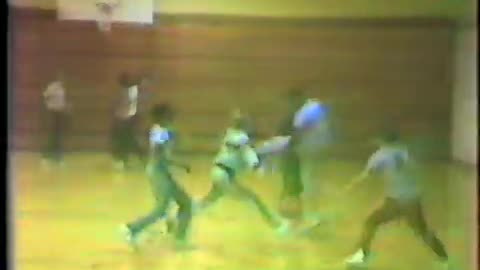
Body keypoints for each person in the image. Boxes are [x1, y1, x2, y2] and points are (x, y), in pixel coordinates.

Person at [343, 130, 450, 269]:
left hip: (396, 200)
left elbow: (367, 175)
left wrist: (351, 185)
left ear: (379, 140)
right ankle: (444, 258)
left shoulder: (380, 155)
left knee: (371, 222)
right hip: (412, 198)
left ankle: (362, 256)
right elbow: (416, 170)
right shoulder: (405, 151)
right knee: (422, 231)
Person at [197, 111, 290, 234]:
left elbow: (244, 151)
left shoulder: (229, 135)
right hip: (225, 176)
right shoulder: (242, 138)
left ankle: (177, 216)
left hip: (217, 171)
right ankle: (278, 226)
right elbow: (248, 155)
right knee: (254, 199)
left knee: (207, 201)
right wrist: (260, 163)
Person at [120, 103, 193, 249]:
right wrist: (180, 164)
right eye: (170, 114)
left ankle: (180, 239)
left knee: (185, 203)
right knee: (161, 210)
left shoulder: (162, 131)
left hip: (162, 172)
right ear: (163, 116)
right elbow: (159, 155)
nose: (173, 117)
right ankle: (130, 229)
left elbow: (169, 143)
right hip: (158, 172)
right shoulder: (160, 132)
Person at [111, 72, 146, 170]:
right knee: (128, 140)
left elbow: (117, 107)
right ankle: (126, 159)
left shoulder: (126, 92)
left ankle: (125, 159)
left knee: (127, 140)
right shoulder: (132, 90)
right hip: (127, 119)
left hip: (125, 119)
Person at [42, 72, 70, 167]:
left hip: (60, 113)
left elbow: (62, 101)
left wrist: (66, 107)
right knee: (55, 136)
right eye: (62, 77)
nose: (64, 79)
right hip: (54, 112)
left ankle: (57, 157)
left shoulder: (62, 88)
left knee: (58, 136)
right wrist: (49, 105)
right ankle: (48, 157)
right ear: (58, 77)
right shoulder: (53, 86)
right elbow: (45, 95)